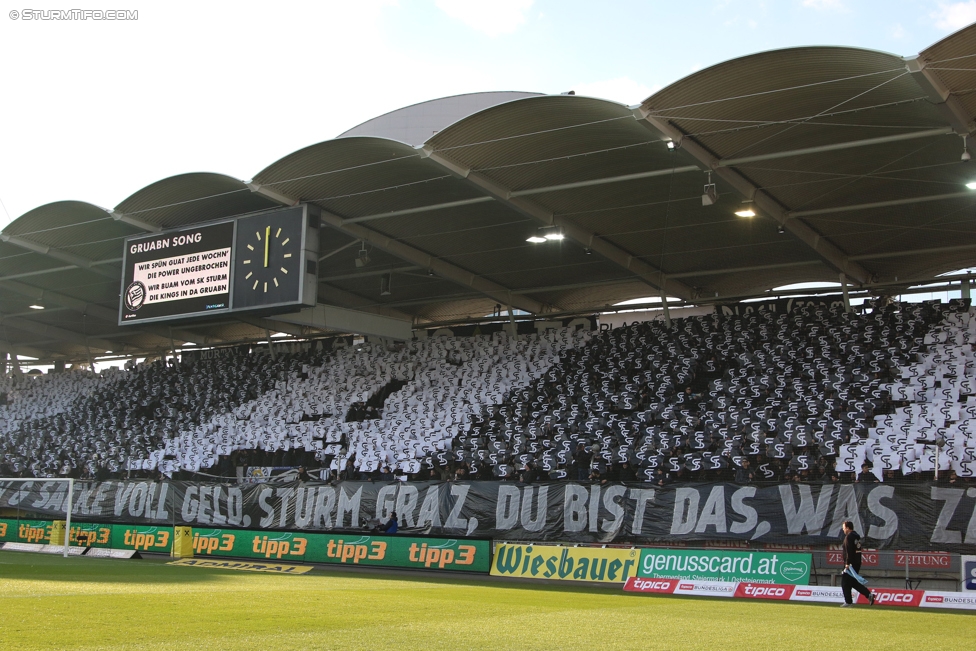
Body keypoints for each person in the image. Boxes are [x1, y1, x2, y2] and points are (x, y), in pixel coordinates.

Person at [840, 520, 876, 607]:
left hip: (851, 564)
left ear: (848, 528)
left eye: (844, 528)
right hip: (857, 562)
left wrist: (847, 563)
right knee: (852, 582)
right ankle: (868, 595)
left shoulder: (849, 537)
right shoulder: (856, 536)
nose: (843, 530)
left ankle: (848, 602)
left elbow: (849, 551)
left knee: (844, 582)